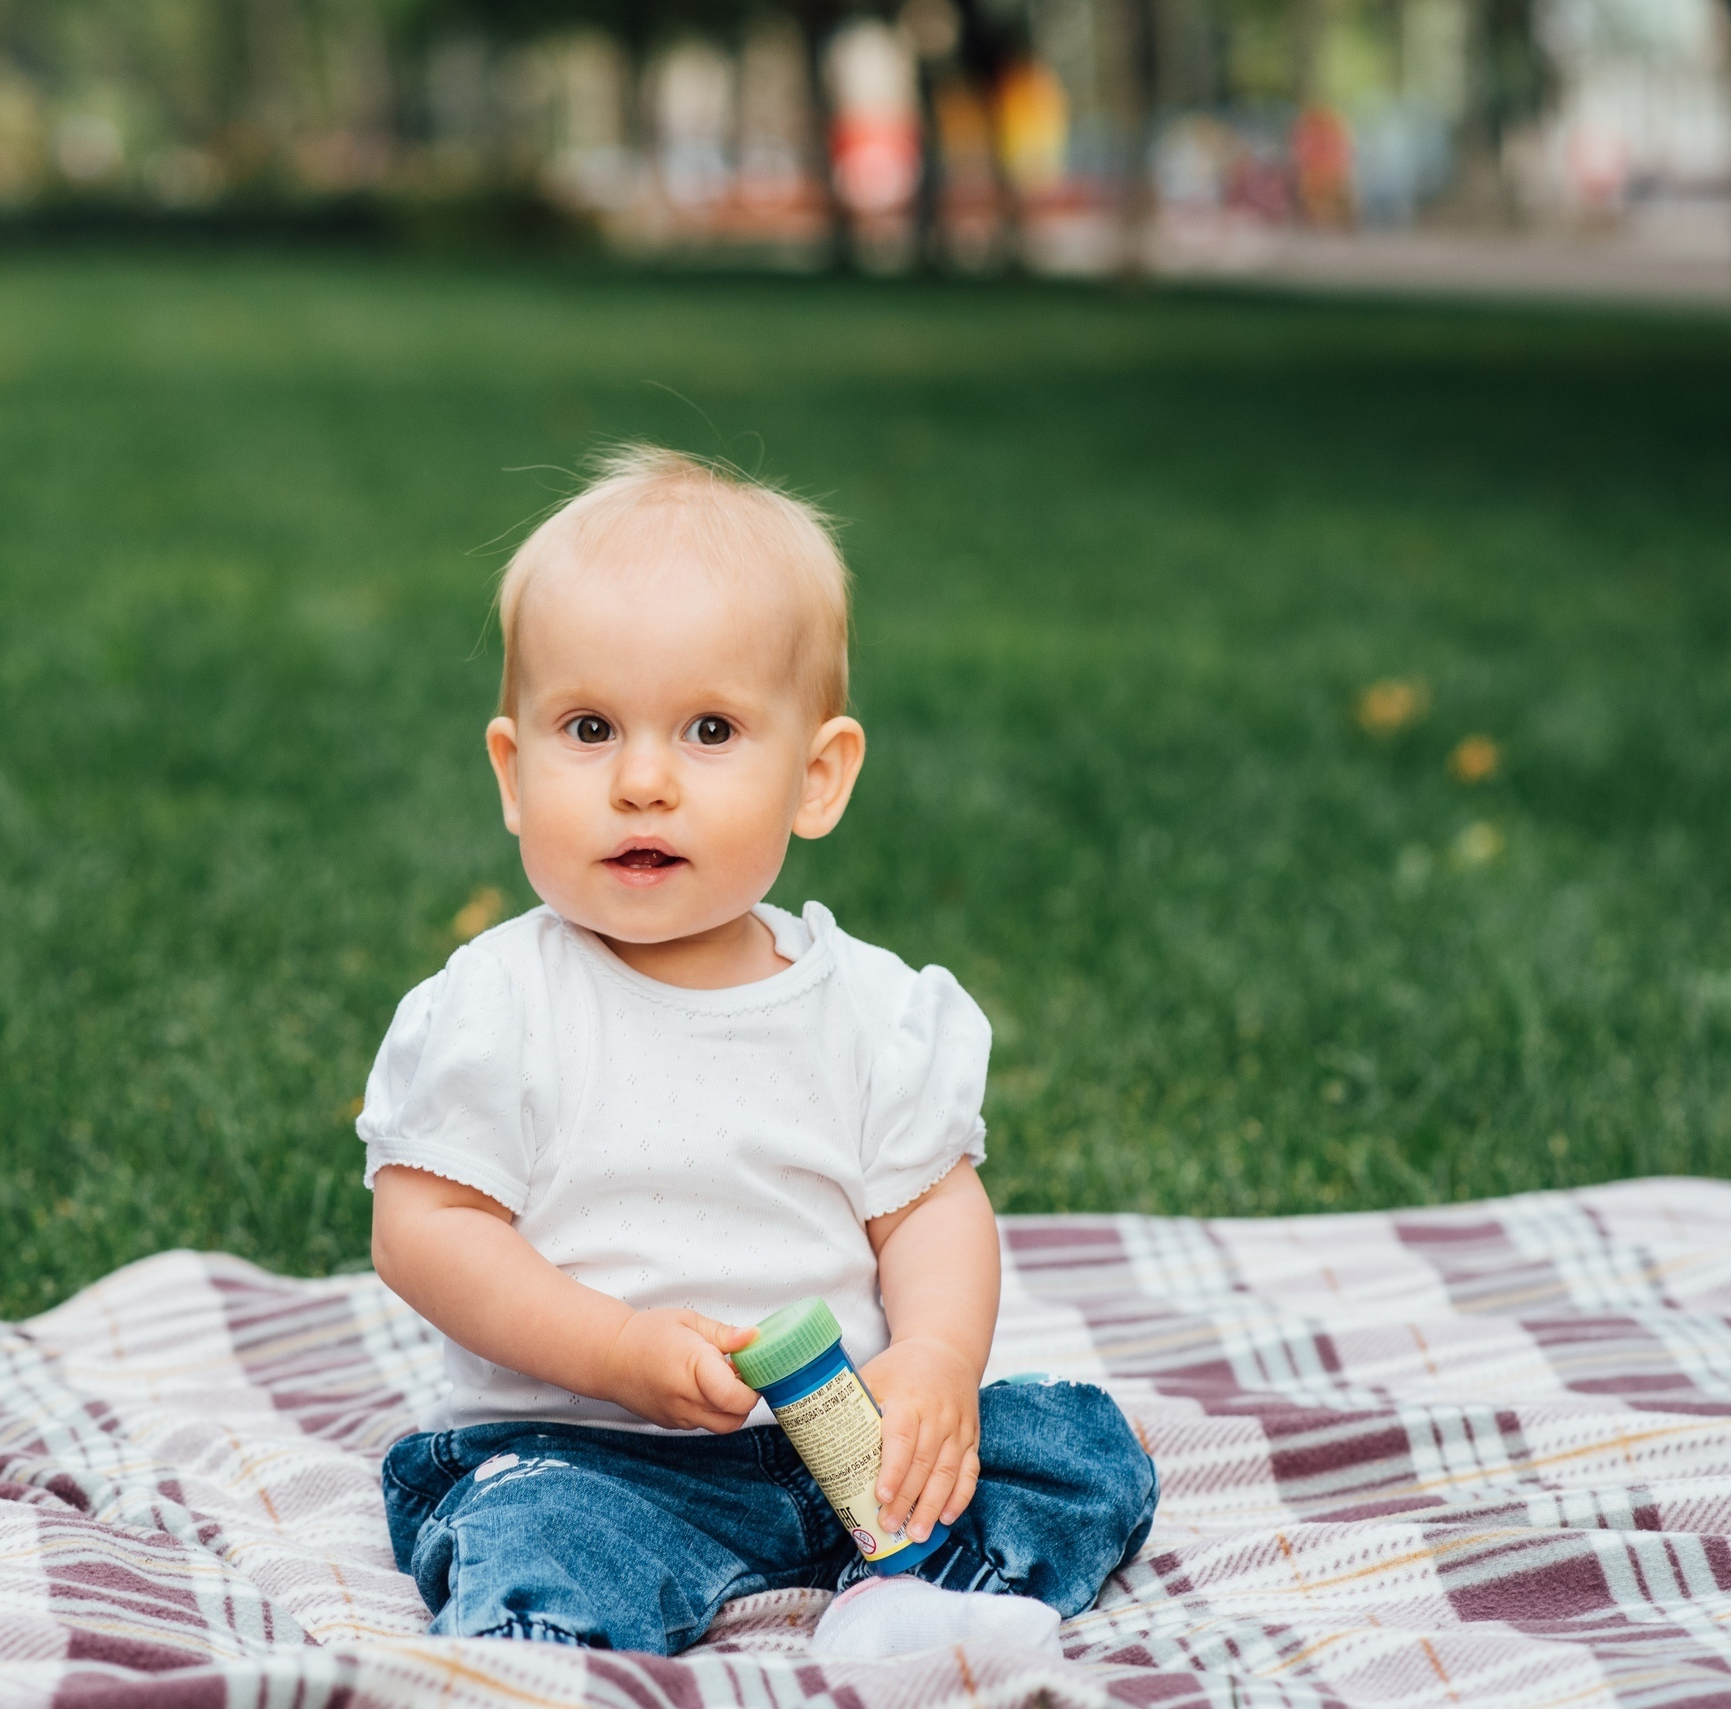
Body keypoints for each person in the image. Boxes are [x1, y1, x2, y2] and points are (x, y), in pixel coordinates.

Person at [359, 447, 1156, 1659]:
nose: (642, 781)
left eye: (710, 729)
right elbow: (425, 1229)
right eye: (589, 728)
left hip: (846, 1446)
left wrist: (936, 1358)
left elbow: (930, 1209)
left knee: (1074, 1444)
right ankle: (537, 1653)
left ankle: (907, 1598)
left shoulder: (870, 1008)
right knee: (539, 1531)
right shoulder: (499, 1003)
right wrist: (612, 1349)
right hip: (592, 1451)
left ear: (815, 777)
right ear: (513, 774)